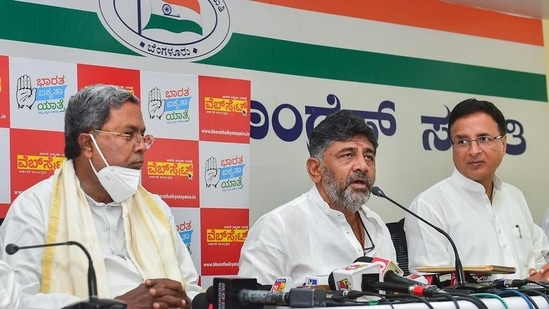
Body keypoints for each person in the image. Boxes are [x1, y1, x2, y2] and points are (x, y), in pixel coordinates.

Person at [0, 84, 202, 308]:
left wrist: (184, 301)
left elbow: (191, 288)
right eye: (128, 134)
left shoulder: (156, 209)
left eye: (143, 135)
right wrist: (114, 306)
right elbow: (17, 301)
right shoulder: (35, 208)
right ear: (88, 144)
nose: (142, 146)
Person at [238, 109, 397, 286]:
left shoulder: (376, 224)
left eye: (369, 157)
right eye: (347, 155)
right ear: (315, 170)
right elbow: (250, 302)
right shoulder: (276, 228)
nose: (362, 166)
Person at [404, 98, 549, 281]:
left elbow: (537, 263)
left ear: (503, 144)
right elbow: (433, 288)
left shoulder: (515, 197)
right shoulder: (429, 206)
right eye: (462, 141)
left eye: (484, 139)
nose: (473, 151)